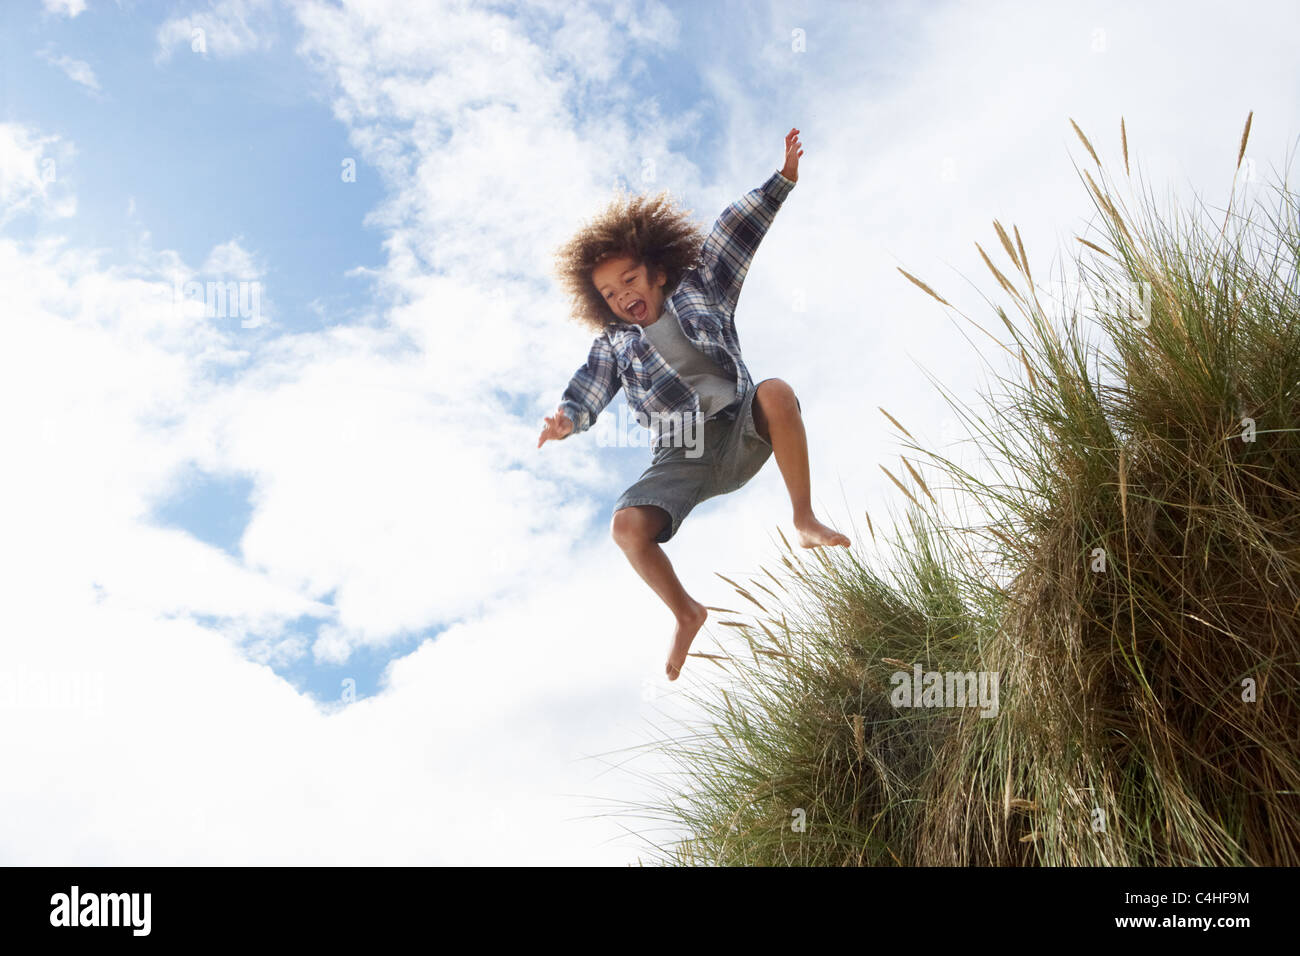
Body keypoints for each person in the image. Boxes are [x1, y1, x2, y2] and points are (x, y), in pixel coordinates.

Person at [538, 128, 849, 680]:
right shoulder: (615, 342)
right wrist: (569, 418)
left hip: (738, 431)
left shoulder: (702, 285)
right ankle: (686, 612)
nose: (622, 296)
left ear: (656, 270)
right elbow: (591, 382)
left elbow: (734, 231)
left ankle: (803, 517)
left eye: (629, 279)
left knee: (776, 393)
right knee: (626, 527)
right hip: (679, 456)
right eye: (609, 293)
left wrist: (782, 182)